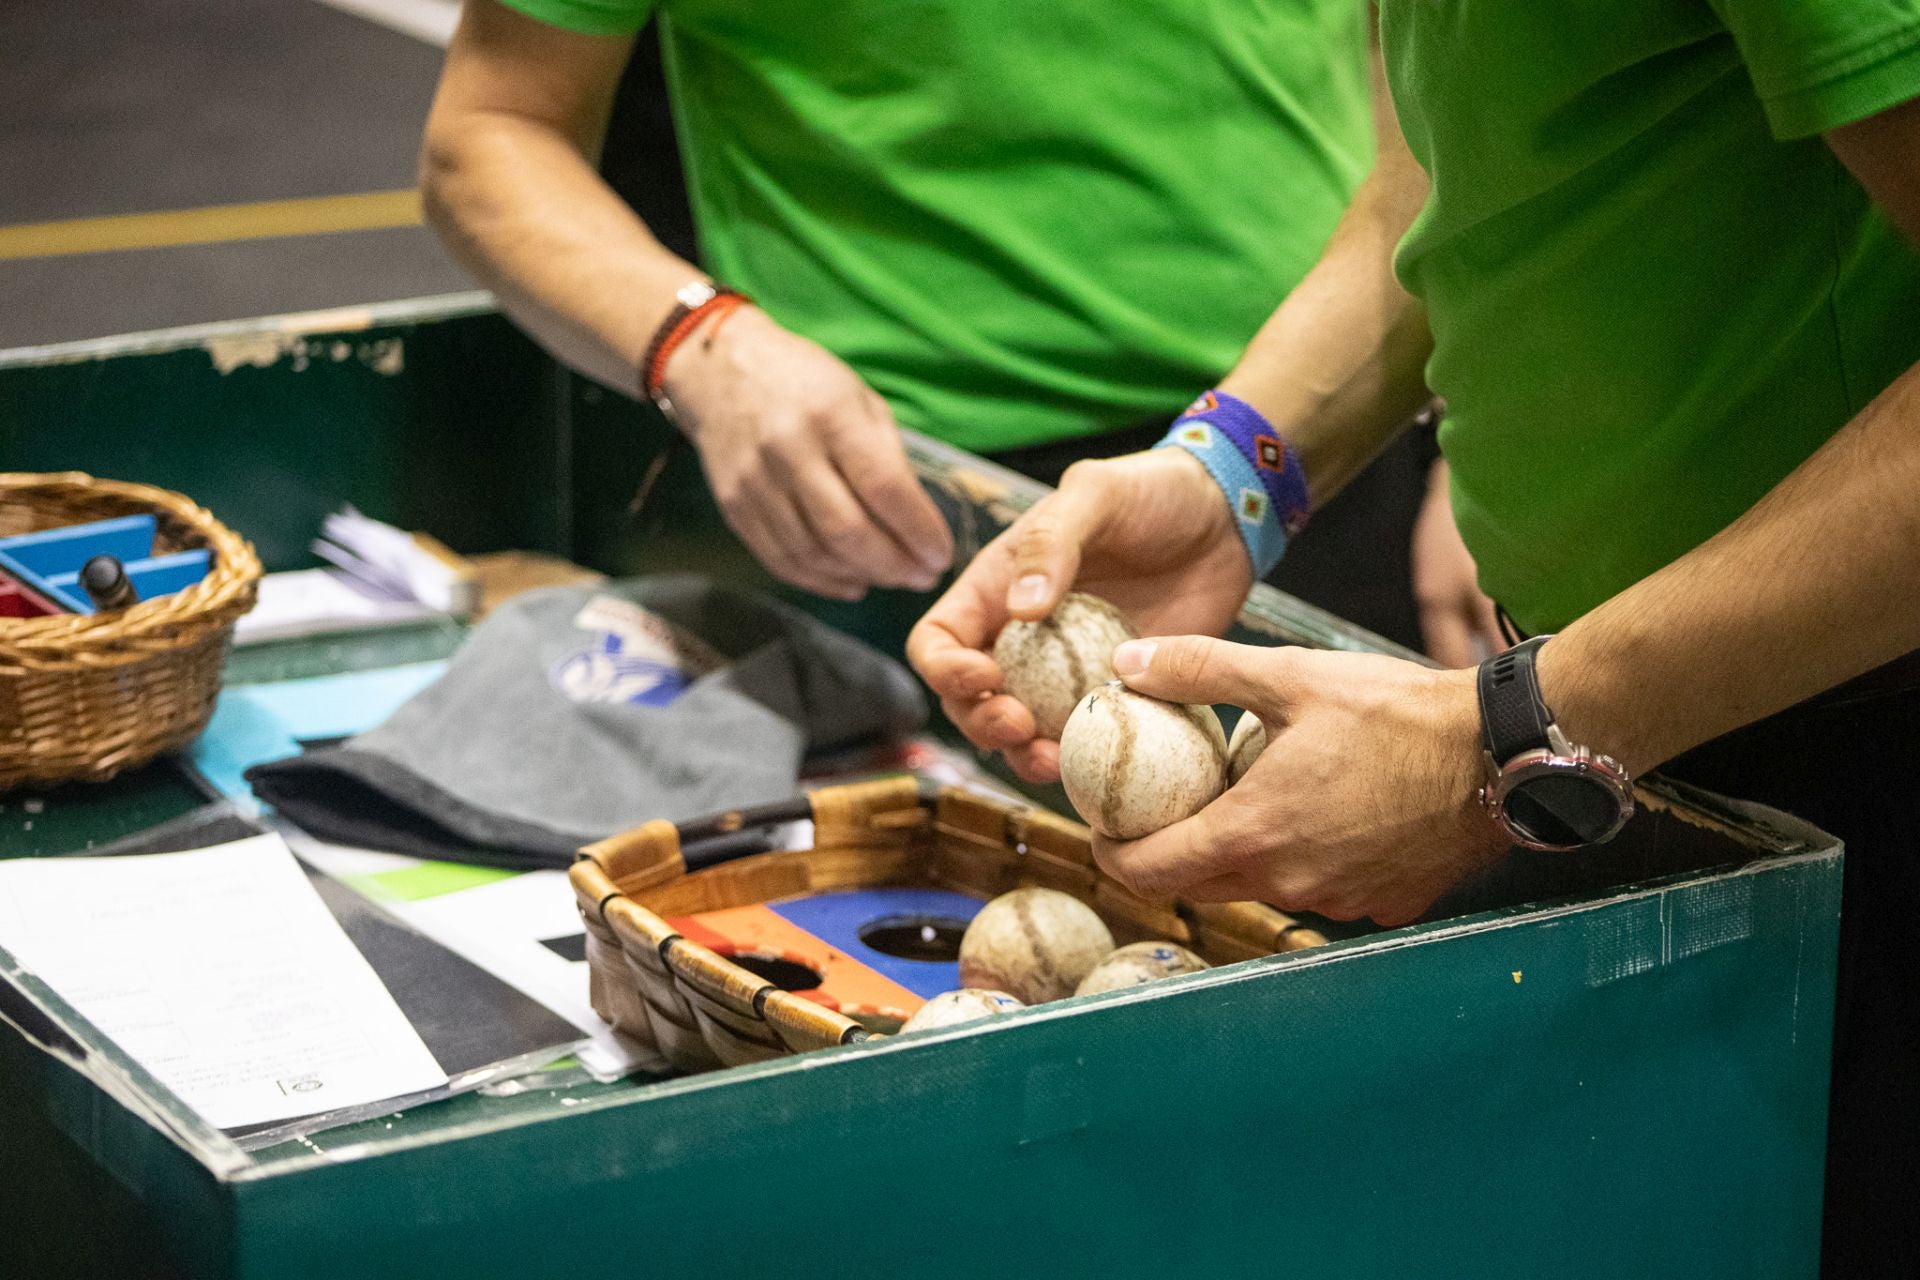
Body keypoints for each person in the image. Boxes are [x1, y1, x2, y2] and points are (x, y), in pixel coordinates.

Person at [910, 7, 1920, 1273]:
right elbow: (1440, 179)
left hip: (1860, 765)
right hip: (1611, 740)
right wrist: (1231, 478)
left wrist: (1497, 736)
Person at [420, 0, 1481, 651]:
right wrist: (708, 346)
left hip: (1313, 452)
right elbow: (491, 131)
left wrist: (1470, 441)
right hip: (907, 516)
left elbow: (1430, 101)